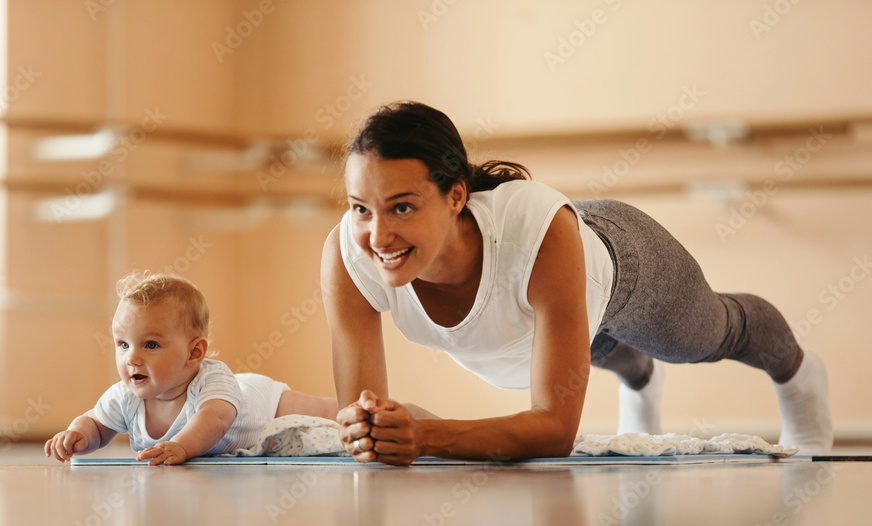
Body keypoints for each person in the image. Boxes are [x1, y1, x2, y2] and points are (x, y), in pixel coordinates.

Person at [322, 101, 832, 466]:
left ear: (456, 196)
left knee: (711, 334)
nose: (378, 235)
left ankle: (802, 378)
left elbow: (554, 429)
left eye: (402, 207)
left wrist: (424, 434)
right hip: (554, 292)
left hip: (621, 262)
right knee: (599, 346)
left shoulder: (539, 238)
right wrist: (371, 430)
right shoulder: (349, 256)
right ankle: (641, 380)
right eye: (361, 208)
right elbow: (359, 419)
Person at [45, 271, 337, 465]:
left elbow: (215, 420)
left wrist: (181, 446)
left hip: (256, 401)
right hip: (235, 408)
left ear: (194, 352)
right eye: (122, 345)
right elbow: (97, 423)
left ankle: (365, 407)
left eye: (150, 345)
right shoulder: (126, 397)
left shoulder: (211, 380)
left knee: (323, 412)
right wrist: (78, 435)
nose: (131, 358)